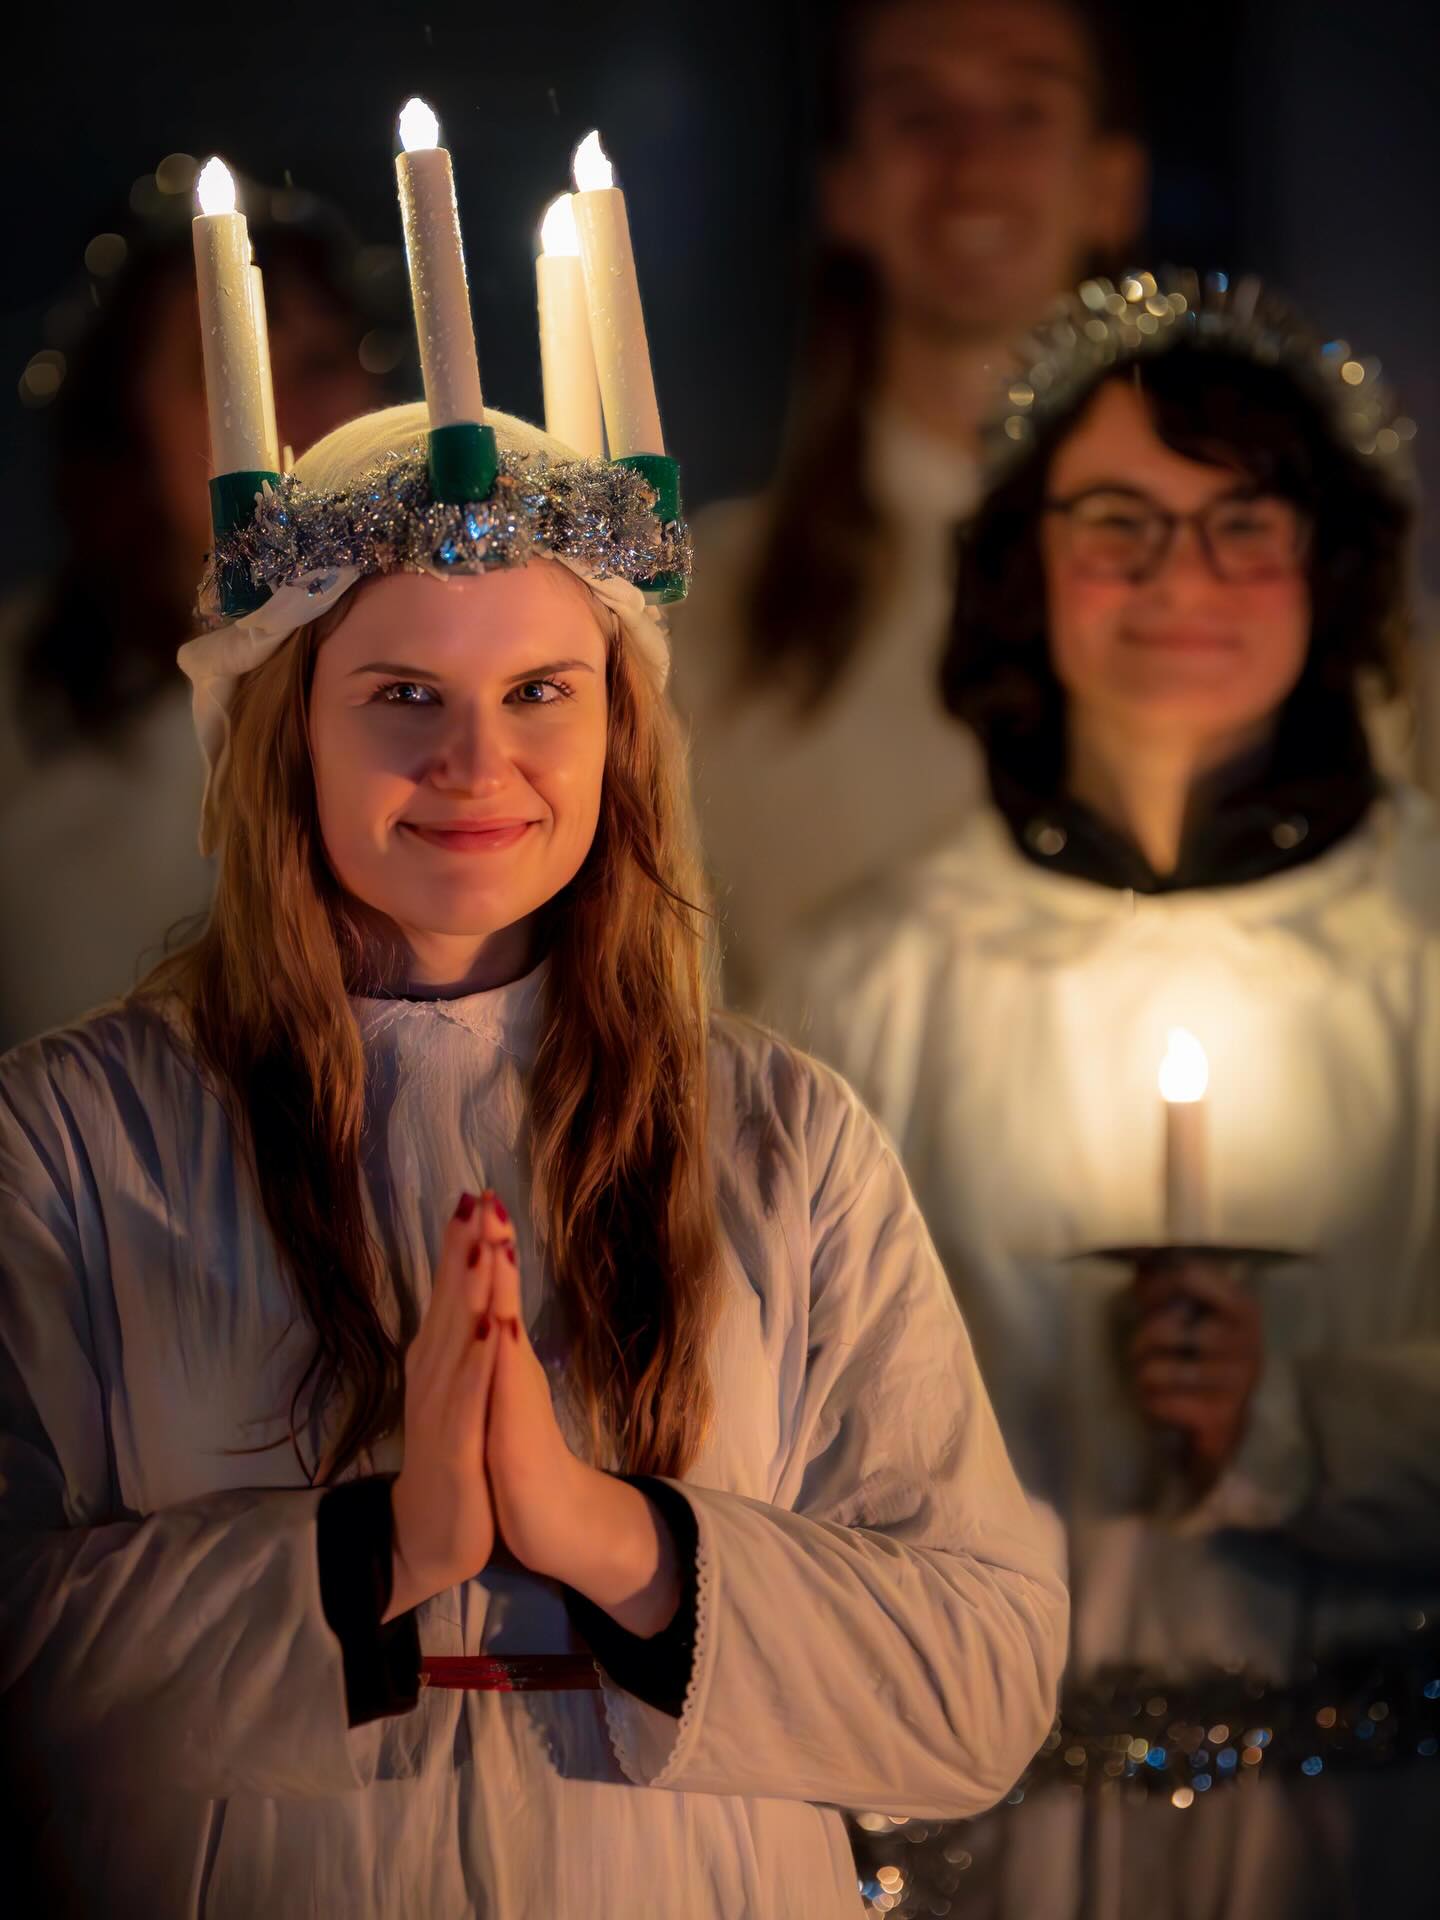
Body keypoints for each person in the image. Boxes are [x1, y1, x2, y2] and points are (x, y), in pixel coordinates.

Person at [0, 385, 1067, 1916]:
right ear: (280, 722)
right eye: (402, 696)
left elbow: (977, 1687)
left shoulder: (781, 1138)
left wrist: (609, 1538)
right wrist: (384, 1550)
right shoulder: (73, 1144)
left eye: (541, 693)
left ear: (622, 723)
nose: (475, 762)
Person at [781, 276, 1440, 1917]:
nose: (1179, 582)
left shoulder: (1423, 948)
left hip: (1367, 1828)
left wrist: (1281, 1424)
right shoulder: (869, 976)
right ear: (1023, 566)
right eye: (1119, 524)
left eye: (1242, 526)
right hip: (981, 1848)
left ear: (1331, 563)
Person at [670, 0, 1147, 1007]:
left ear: (1111, 184)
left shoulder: (1251, 591)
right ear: (846, 191)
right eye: (917, 116)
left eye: (1025, 112)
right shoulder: (712, 608)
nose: (972, 164)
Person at [0, 191, 388, 1047]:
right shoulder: (26, 707)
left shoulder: (464, 653)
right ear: (131, 425)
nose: (285, 410)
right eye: (229, 370)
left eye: (321, 360)